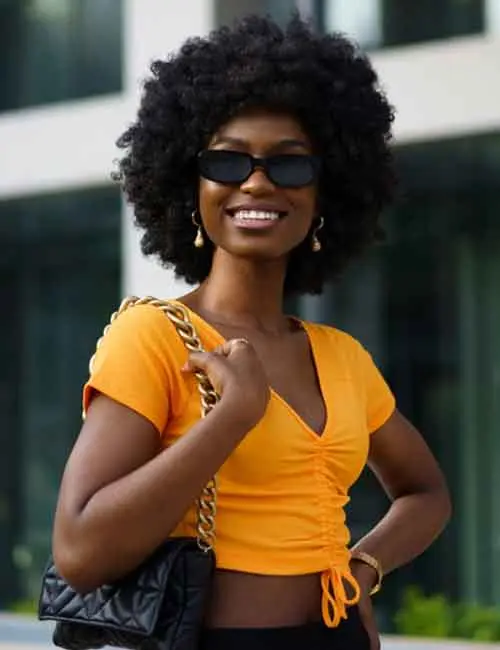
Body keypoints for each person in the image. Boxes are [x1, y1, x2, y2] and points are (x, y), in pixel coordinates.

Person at [52, 13, 451, 650]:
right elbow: (80, 550)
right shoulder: (154, 336)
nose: (258, 181)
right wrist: (232, 415)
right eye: (228, 161)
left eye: (290, 166)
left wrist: (361, 569)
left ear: (327, 195)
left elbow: (425, 492)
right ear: (192, 185)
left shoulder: (341, 356)